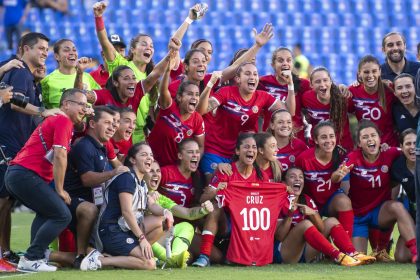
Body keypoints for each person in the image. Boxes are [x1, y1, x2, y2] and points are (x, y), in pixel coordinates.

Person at [4, 88, 88, 272]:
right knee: (62, 215)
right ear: (66, 104)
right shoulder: (63, 120)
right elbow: (59, 155)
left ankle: (36, 257)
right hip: (25, 174)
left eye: (86, 105)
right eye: (81, 104)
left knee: (47, 212)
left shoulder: (61, 120)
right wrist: (59, 189)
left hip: (18, 175)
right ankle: (32, 257)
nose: (85, 108)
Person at [0, 32, 62, 265]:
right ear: (26, 48)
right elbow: (14, 102)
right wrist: (42, 111)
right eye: (41, 48)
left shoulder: (26, 75)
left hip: (15, 145)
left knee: (6, 200)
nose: (46, 52)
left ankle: (5, 252)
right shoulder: (19, 71)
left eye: (47, 48)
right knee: (3, 200)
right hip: (7, 143)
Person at [84, 142, 174, 271]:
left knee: (159, 221)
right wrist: (142, 238)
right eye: (144, 155)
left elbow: (152, 205)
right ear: (132, 160)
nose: (149, 158)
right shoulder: (127, 178)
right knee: (149, 263)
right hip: (111, 231)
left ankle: (123, 259)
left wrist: (166, 211)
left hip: (125, 230)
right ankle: (100, 260)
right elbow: (126, 212)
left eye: (151, 155)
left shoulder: (142, 183)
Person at [197, 62, 292, 179]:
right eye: (247, 74)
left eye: (255, 74)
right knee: (213, 183)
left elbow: (288, 111)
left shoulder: (263, 96)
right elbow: (201, 110)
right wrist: (210, 84)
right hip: (216, 150)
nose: (252, 77)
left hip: (242, 153)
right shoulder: (226, 92)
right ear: (238, 79)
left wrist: (290, 85)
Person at [63, 106, 130, 268]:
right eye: (107, 123)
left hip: (94, 200)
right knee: (90, 210)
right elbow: (87, 179)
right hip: (71, 200)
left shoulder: (101, 146)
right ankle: (80, 255)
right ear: (92, 124)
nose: (113, 127)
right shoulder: (84, 146)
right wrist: (114, 173)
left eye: (114, 123)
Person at [341, 120, 417, 263]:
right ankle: (375, 249)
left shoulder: (390, 152)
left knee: (397, 206)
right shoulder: (352, 157)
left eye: (373, 135)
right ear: (359, 144)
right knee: (360, 258)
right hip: (358, 216)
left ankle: (414, 251)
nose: (370, 139)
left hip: (380, 213)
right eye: (365, 137)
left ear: (380, 139)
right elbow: (342, 183)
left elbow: (408, 150)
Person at [274, 167, 374, 266]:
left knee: (332, 221)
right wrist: (290, 214)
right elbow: (279, 236)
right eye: (292, 177)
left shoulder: (306, 200)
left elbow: (321, 229)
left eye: (301, 177)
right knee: (305, 224)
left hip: (305, 251)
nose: (297, 179)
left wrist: (313, 213)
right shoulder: (278, 201)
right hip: (285, 252)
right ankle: (338, 256)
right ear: (284, 183)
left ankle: (352, 253)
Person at [193, 133, 265, 266]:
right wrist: (215, 190)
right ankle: (204, 256)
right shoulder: (226, 171)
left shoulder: (261, 176)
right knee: (215, 207)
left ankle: (253, 254)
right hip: (227, 224)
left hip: (247, 226)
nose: (251, 150)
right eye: (246, 147)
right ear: (237, 151)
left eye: (254, 147)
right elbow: (203, 199)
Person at [145, 159, 214, 268]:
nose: (156, 174)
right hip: (142, 241)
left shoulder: (161, 198)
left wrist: (203, 210)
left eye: (158, 171)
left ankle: (175, 257)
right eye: (151, 171)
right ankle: (170, 260)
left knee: (186, 226)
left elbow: (188, 213)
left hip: (159, 240)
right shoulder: (135, 191)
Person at [296, 121, 354, 238]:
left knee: (344, 201)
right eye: (323, 137)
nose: (328, 141)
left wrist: (338, 177)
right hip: (310, 201)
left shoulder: (341, 155)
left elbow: (344, 187)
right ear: (316, 140)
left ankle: (348, 247)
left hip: (330, 201)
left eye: (331, 136)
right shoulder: (304, 158)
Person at [148, 61, 204, 167]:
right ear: (179, 97)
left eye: (197, 95)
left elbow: (200, 146)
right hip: (152, 162)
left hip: (173, 168)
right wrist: (168, 70)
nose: (194, 98)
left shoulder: (197, 119)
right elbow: (164, 90)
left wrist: (192, 164)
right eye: (190, 94)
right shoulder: (169, 107)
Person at [258, 47, 311, 139]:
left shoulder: (304, 84)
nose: (285, 63)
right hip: (270, 139)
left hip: (295, 139)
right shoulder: (263, 82)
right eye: (280, 60)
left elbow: (324, 88)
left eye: (289, 60)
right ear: (273, 65)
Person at [349, 55, 398, 147]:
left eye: (374, 71)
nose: (370, 75)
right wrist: (341, 87)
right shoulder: (352, 91)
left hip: (389, 145)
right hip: (367, 147)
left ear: (379, 72)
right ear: (359, 73)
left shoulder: (390, 89)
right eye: (366, 72)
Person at [302, 67, 354, 152]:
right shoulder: (306, 98)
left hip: (342, 148)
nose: (322, 84)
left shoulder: (343, 97)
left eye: (325, 80)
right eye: (318, 81)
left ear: (330, 81)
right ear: (311, 85)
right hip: (317, 148)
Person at [41, 39, 100, 109]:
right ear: (57, 56)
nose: (72, 53)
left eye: (74, 50)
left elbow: (100, 100)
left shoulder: (87, 77)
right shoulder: (47, 81)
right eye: (66, 50)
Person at [391, 129, 416, 220]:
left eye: (415, 143)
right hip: (414, 211)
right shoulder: (397, 167)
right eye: (408, 144)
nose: (412, 147)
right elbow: (392, 190)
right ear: (401, 147)